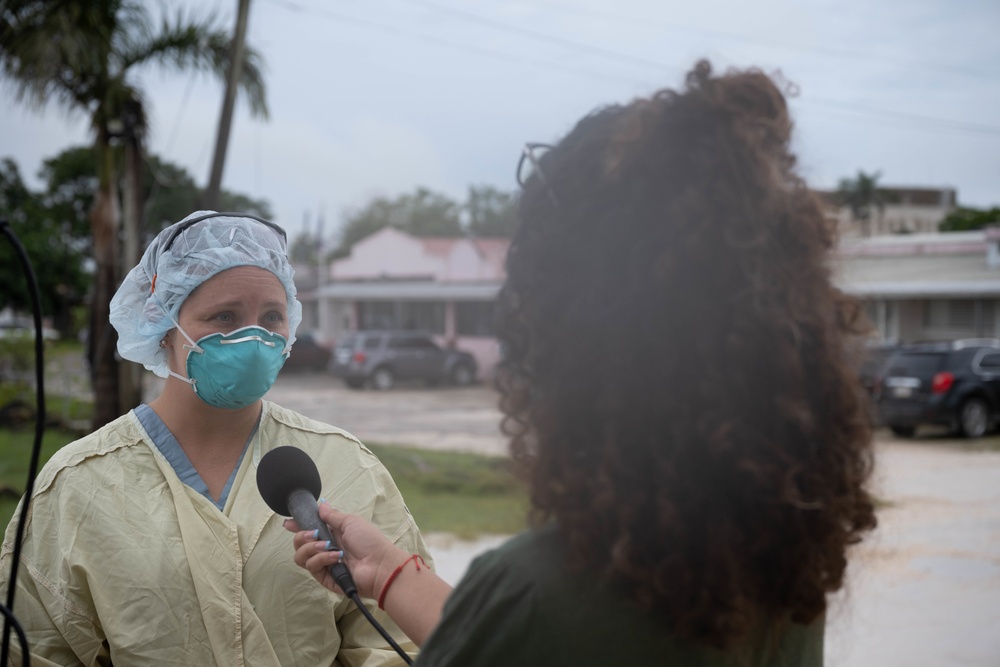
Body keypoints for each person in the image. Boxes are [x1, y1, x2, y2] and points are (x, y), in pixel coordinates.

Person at [288, 60, 878, 666]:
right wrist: (387, 573)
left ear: (571, 336)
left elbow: (530, 629)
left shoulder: (533, 595)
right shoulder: (780, 571)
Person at [0, 211, 431, 666]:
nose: (254, 337)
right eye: (225, 316)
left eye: (272, 317)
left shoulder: (346, 466)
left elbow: (396, 645)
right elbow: (35, 647)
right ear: (163, 323)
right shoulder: (76, 485)